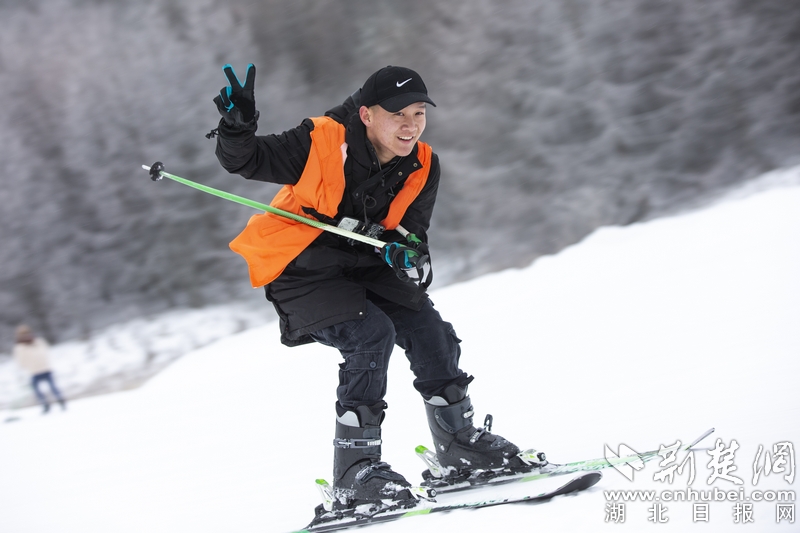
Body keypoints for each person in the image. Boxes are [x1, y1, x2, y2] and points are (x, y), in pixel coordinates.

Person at [211, 64, 540, 511]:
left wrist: (407, 250)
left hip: (364, 262)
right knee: (371, 335)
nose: (411, 126)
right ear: (366, 115)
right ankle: (355, 474)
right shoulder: (321, 140)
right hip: (300, 263)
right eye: (398, 114)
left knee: (429, 329)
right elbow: (244, 160)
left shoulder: (424, 165)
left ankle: (460, 445)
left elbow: (412, 231)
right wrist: (237, 126)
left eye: (419, 113)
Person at [12, 324, 67, 414]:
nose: (25, 335)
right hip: (34, 371)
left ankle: (60, 401)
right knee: (37, 389)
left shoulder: (37, 341)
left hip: (45, 368)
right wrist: (27, 366)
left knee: (52, 387)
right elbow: (20, 361)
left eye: (26, 333)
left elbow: (45, 351)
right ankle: (45, 404)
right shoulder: (20, 347)